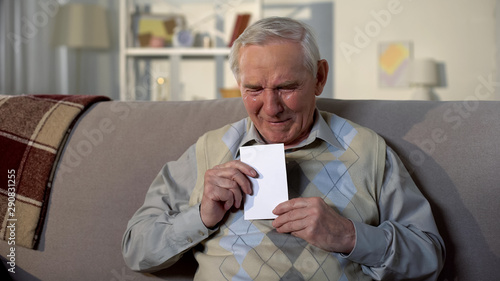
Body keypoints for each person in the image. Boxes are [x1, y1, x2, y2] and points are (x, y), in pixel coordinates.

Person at [122, 17, 445, 280]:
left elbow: (429, 256)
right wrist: (201, 217)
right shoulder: (210, 149)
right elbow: (137, 250)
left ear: (319, 77)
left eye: (286, 88)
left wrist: (349, 236)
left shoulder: (369, 150)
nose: (271, 108)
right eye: (254, 89)